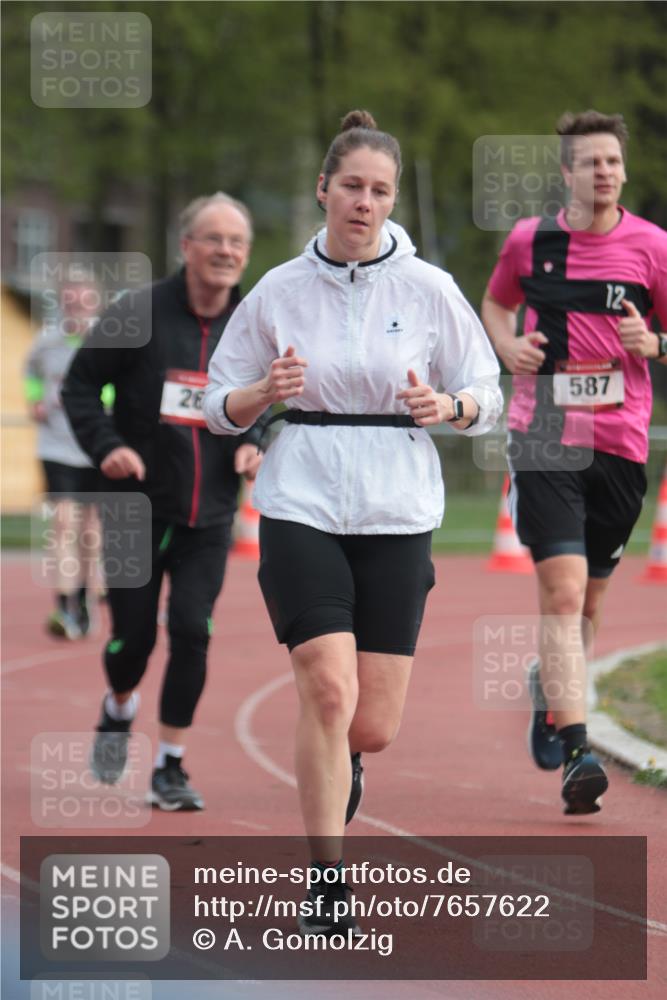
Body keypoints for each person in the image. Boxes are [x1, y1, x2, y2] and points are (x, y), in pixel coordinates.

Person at [204, 110, 502, 933]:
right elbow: (214, 404)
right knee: (326, 690)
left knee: (371, 721)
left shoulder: (430, 289)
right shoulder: (277, 290)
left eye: (379, 190)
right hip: (301, 494)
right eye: (351, 186)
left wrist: (450, 403)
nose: (363, 202)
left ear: (391, 199)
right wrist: (263, 392)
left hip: (397, 504)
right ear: (322, 190)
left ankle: (346, 768)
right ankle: (327, 876)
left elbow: (489, 391)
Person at [481, 110, 667, 815]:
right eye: (589, 162)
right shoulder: (530, 242)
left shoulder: (652, 246)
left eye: (612, 162)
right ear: (565, 173)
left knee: (588, 604)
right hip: (544, 436)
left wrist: (652, 346)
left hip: (619, 445)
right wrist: (506, 349)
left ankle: (548, 690)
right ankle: (579, 750)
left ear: (623, 171)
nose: (602, 172)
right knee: (559, 597)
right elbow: (495, 307)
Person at [62, 192, 265, 811]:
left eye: (237, 242)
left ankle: (170, 764)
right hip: (132, 508)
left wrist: (254, 440)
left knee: (191, 631)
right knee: (131, 641)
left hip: (210, 513)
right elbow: (78, 385)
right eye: (214, 239)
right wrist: (108, 446)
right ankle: (118, 706)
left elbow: (269, 398)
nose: (226, 251)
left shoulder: (253, 324)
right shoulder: (138, 312)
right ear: (186, 247)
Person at [25, 279, 106, 640]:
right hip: (55, 446)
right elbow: (30, 371)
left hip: (93, 446)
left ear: (95, 304)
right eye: (70, 299)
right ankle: (63, 603)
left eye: (84, 300)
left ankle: (85, 598)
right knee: (63, 523)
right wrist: (35, 399)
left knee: (90, 533)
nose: (76, 305)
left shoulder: (107, 342)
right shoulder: (47, 341)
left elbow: (120, 381)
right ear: (62, 303)